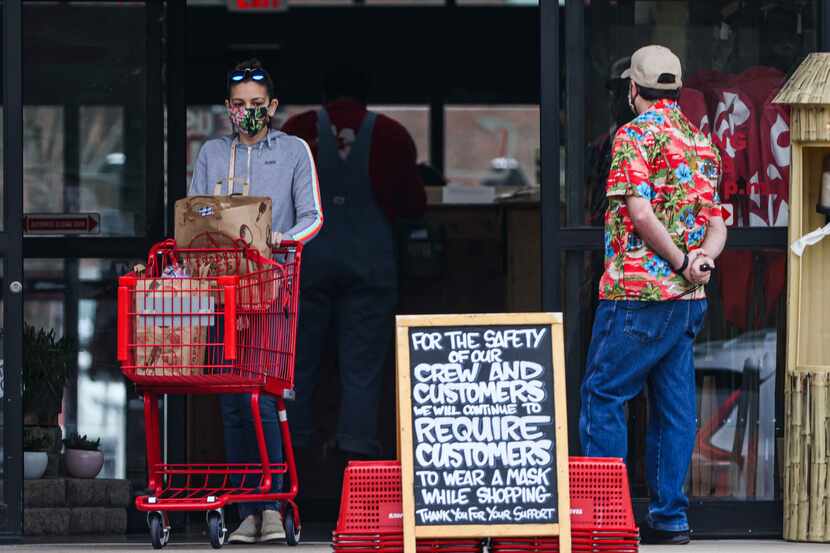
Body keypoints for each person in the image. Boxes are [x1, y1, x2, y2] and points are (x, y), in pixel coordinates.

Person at [578, 45, 728, 546]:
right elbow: (717, 222)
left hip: (636, 293)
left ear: (632, 89)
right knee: (674, 409)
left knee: (604, 396)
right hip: (687, 301)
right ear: (679, 90)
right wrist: (701, 259)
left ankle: (606, 519)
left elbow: (640, 214)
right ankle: (670, 519)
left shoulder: (633, 135)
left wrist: (681, 260)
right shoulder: (700, 142)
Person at [189, 58, 323, 544]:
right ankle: (248, 508)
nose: (249, 112)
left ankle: (272, 504)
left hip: (271, 290)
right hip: (223, 294)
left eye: (257, 105)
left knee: (265, 400)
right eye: (240, 105)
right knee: (230, 405)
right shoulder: (211, 154)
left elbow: (313, 216)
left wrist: (280, 242)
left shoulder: (293, 151)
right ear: (228, 107)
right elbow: (194, 216)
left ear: (272, 106)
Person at [281, 64, 426, 462]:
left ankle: (294, 451)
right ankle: (355, 450)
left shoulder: (297, 130)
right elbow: (413, 205)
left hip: (307, 263)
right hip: (369, 266)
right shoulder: (391, 135)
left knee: (297, 365)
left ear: (325, 93)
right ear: (366, 95)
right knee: (362, 368)